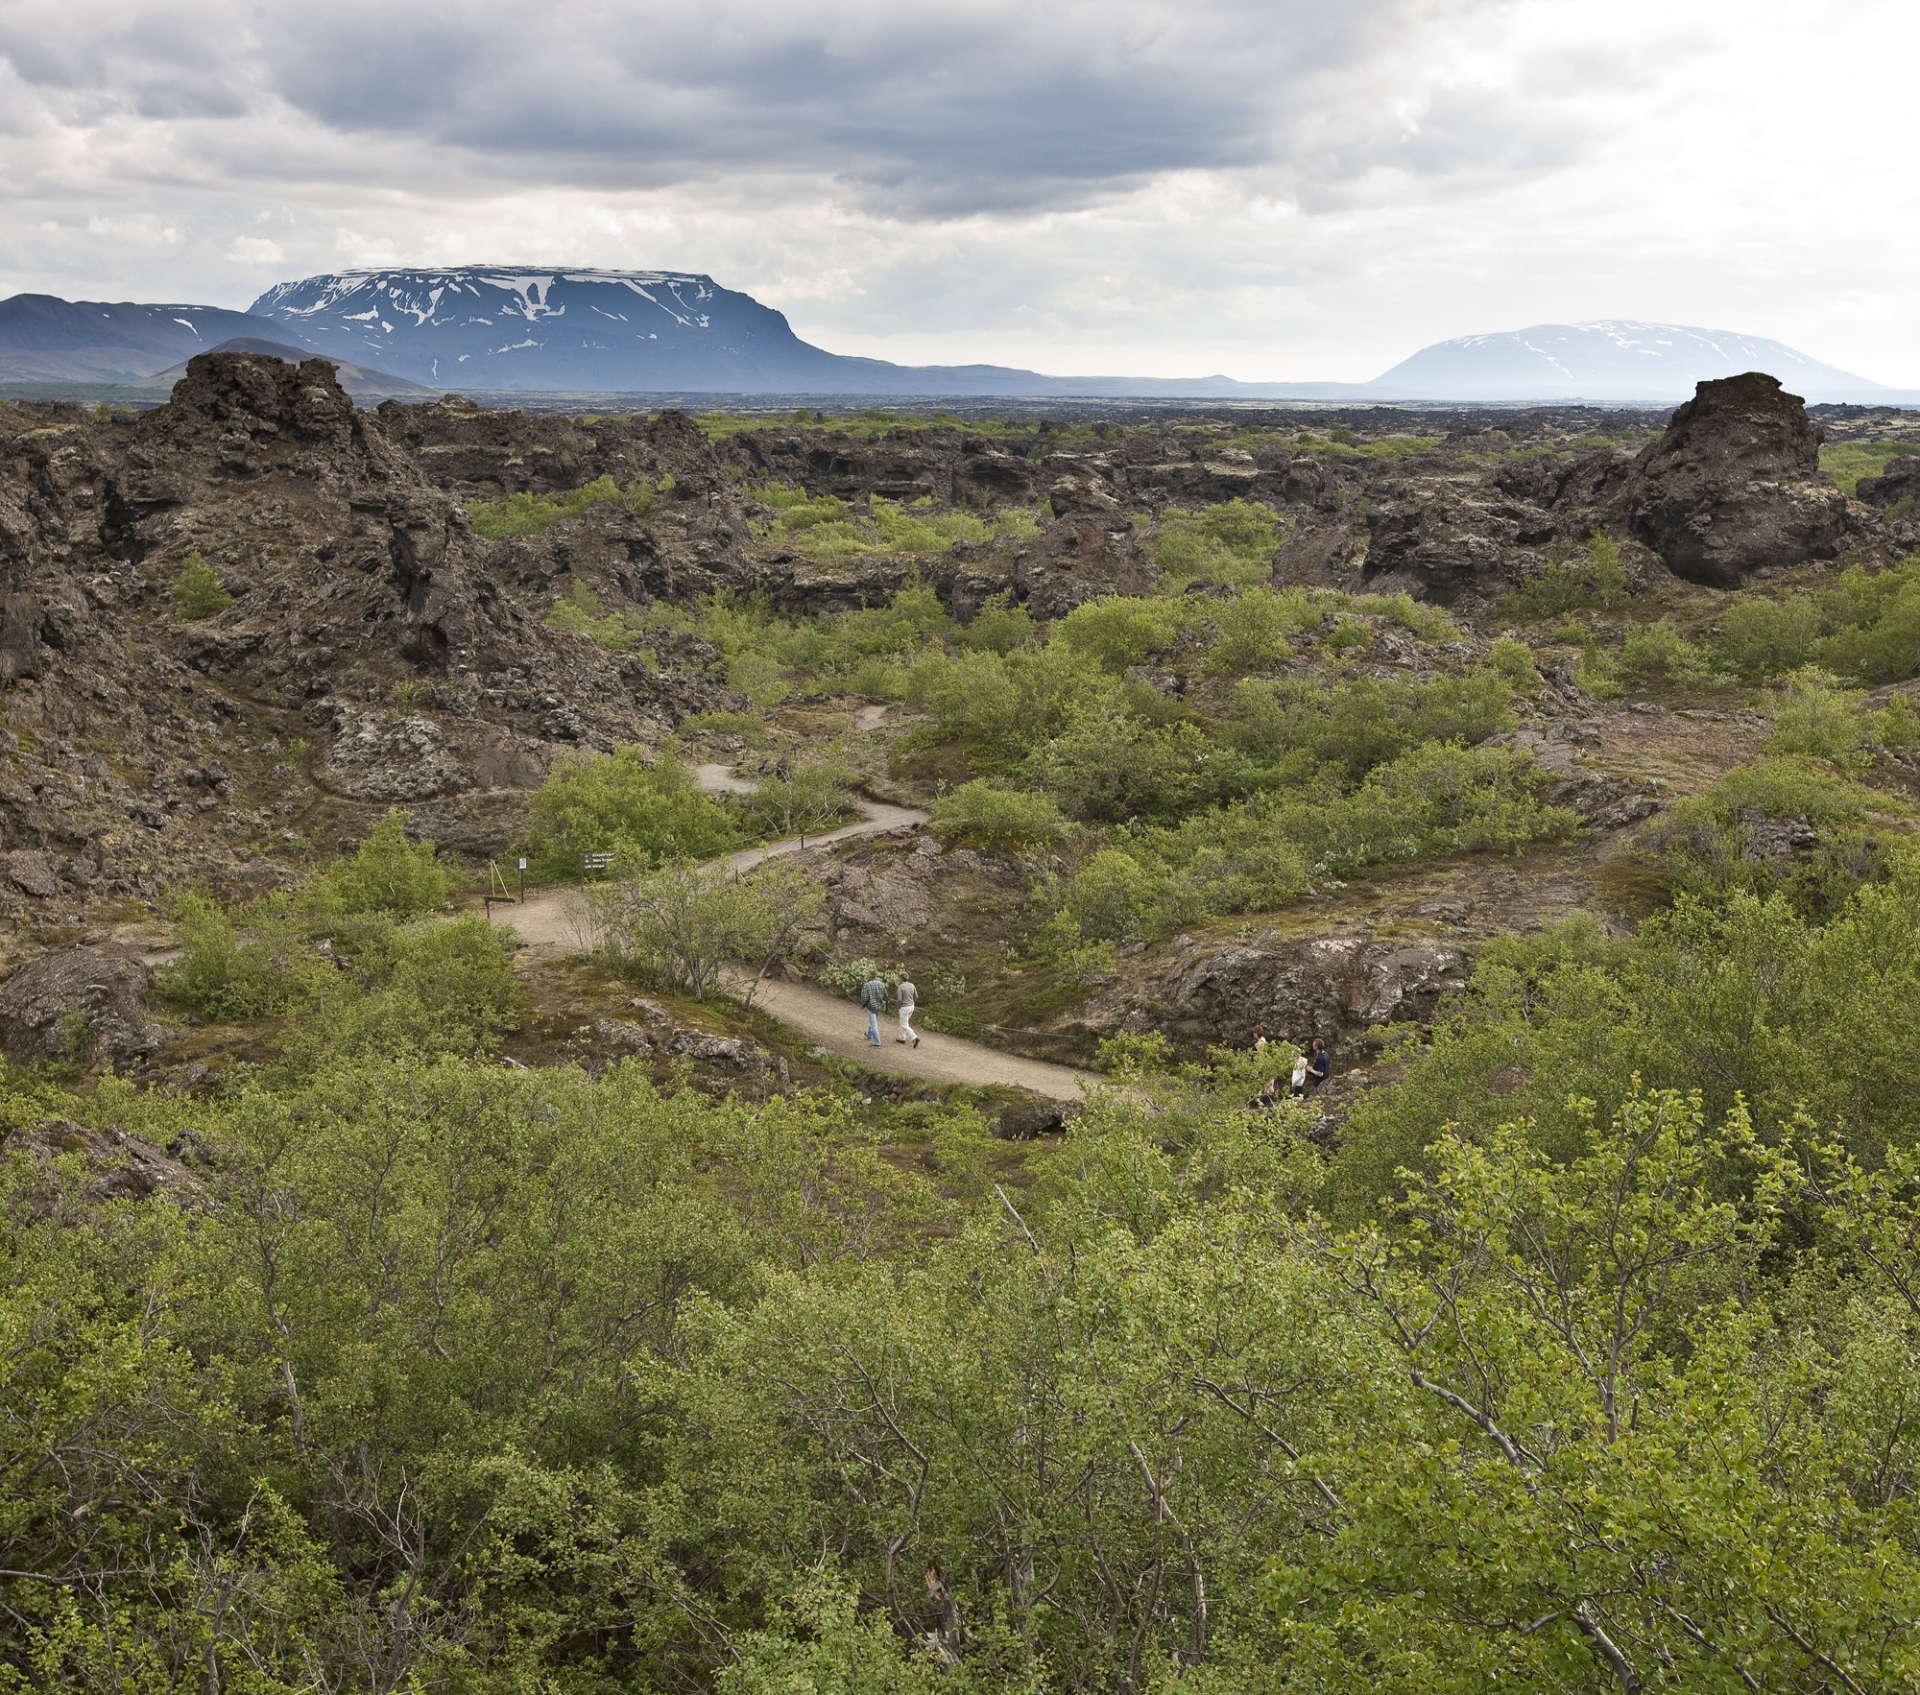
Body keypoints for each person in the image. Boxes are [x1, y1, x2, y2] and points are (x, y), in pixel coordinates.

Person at [860, 970, 888, 1047]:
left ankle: (877, 1043)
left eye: (867, 974)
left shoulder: (867, 985)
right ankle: (869, 1034)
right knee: (873, 1021)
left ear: (870, 976)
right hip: (879, 1006)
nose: (866, 975)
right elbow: (885, 995)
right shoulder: (882, 984)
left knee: (873, 1024)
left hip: (871, 1007)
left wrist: (866, 1003)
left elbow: (864, 997)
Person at [895, 971, 919, 1047]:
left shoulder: (900, 987)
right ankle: (902, 1037)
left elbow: (899, 999)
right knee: (904, 1022)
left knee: (904, 1024)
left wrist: (898, 1006)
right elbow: (916, 996)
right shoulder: (912, 985)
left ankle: (914, 1037)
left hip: (904, 1007)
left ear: (901, 978)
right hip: (911, 1006)